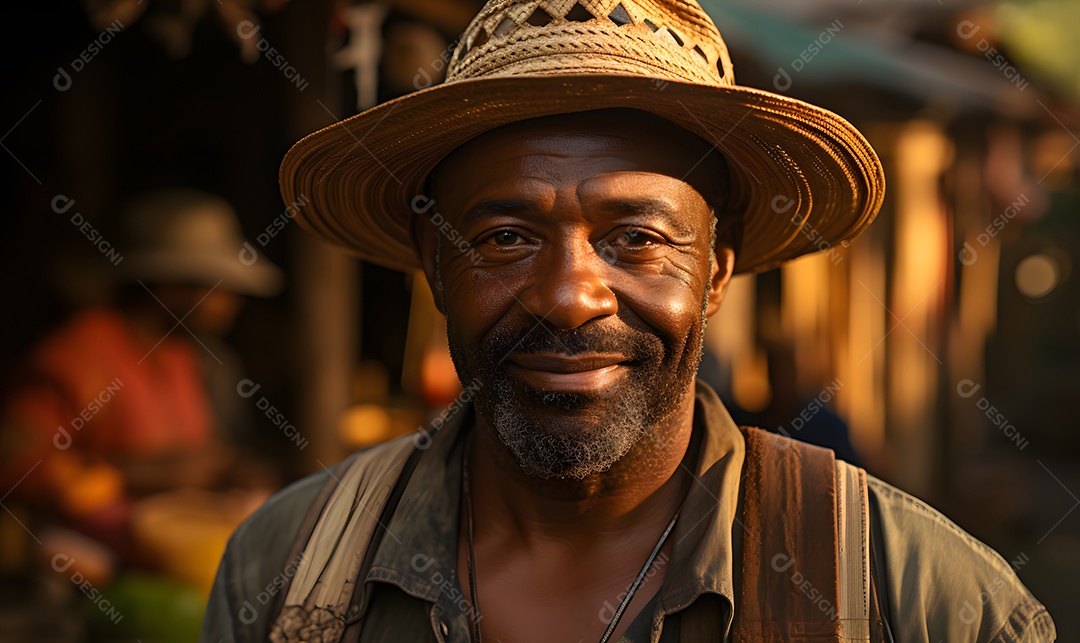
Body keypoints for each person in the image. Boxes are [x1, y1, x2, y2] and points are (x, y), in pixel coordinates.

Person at [201, 1, 1055, 641]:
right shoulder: (287, 572)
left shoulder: (919, 599)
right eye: (504, 236)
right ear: (436, 262)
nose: (569, 296)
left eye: (636, 239)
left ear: (716, 270)